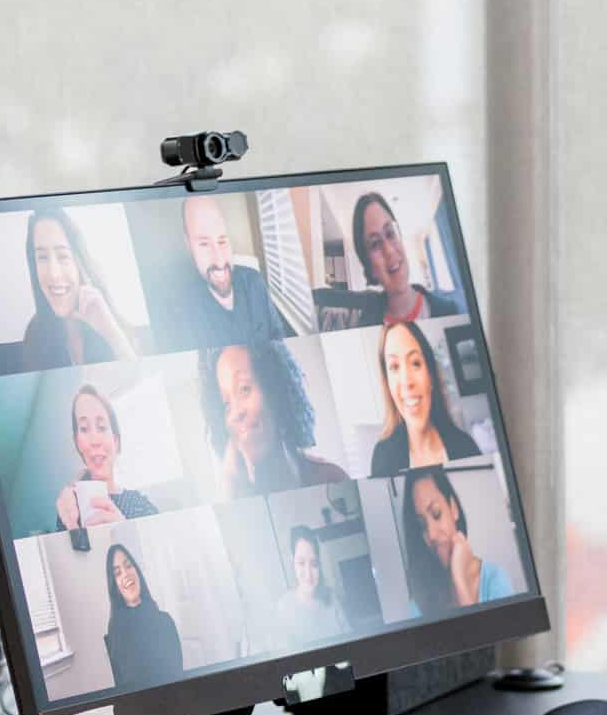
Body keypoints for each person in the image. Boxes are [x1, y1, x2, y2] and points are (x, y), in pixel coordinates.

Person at [199, 341, 349, 498]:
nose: (236, 413)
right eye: (226, 405)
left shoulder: (331, 479)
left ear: (275, 391)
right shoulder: (231, 494)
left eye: (244, 389)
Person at [0, 207, 132, 373]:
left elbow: (145, 387)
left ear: (79, 263)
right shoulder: (36, 331)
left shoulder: (108, 317)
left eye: (63, 256)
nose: (53, 274)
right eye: (42, 258)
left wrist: (110, 332)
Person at [329, 191, 464, 330]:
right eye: (375, 244)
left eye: (390, 233)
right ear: (369, 266)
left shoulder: (450, 311)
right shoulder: (363, 325)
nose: (390, 251)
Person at [177, 194, 293, 347]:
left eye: (222, 241)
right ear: (188, 245)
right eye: (204, 244)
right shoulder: (182, 308)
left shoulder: (254, 280)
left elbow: (278, 335)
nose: (219, 261)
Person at [369, 321, 481, 476]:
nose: (407, 381)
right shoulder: (383, 458)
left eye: (415, 363)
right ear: (387, 383)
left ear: (431, 376)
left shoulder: (466, 446)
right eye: (394, 367)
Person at [400, 466, 510, 615]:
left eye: (436, 513)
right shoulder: (419, 603)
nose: (431, 535)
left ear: (453, 509)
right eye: (422, 525)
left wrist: (459, 578)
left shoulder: (493, 580)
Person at [53, 386, 158, 535]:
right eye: (83, 428)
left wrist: (124, 531)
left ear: (115, 441)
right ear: (77, 442)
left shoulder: (140, 506)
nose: (95, 440)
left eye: (102, 427)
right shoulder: (70, 508)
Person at [102, 542, 183, 689]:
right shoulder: (115, 631)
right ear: (115, 585)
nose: (125, 573)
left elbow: (177, 677)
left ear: (137, 571)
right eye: (117, 572)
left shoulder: (165, 621)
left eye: (128, 565)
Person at [275, 526, 351, 644]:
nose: (308, 573)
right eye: (301, 563)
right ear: (292, 560)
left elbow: (350, 639)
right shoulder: (284, 608)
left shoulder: (331, 597)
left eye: (314, 564)